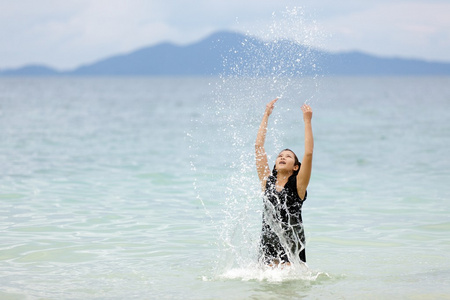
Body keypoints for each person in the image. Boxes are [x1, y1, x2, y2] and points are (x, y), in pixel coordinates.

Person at [255, 98, 313, 266]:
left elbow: (308, 153)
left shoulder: (298, 185)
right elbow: (258, 147)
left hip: (292, 244)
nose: (282, 157)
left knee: (289, 286)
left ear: (295, 167)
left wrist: (307, 121)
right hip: (268, 243)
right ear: (275, 164)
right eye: (280, 155)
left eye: (288, 156)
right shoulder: (268, 183)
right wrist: (266, 114)